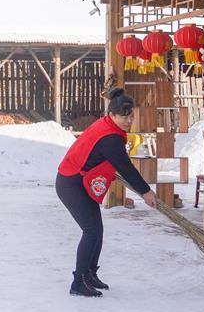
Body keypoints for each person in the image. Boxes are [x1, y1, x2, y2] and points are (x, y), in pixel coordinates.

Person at [56, 87, 156, 298]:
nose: (128, 121)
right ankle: (78, 282)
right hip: (71, 183)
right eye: (124, 117)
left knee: (97, 230)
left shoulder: (108, 126)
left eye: (131, 116)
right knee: (91, 230)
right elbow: (126, 168)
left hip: (79, 180)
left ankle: (89, 274)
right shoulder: (110, 138)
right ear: (112, 115)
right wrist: (146, 192)